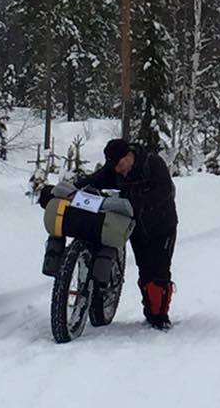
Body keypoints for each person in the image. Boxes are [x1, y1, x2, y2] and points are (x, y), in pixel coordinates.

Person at [54, 138, 178, 330]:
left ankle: (160, 316)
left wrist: (138, 200)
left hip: (163, 225)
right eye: (115, 167)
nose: (119, 170)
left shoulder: (152, 163)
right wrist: (71, 191)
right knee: (145, 270)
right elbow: (94, 179)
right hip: (137, 225)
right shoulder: (115, 169)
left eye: (120, 165)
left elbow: (165, 190)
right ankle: (151, 311)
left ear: (129, 156)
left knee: (159, 271)